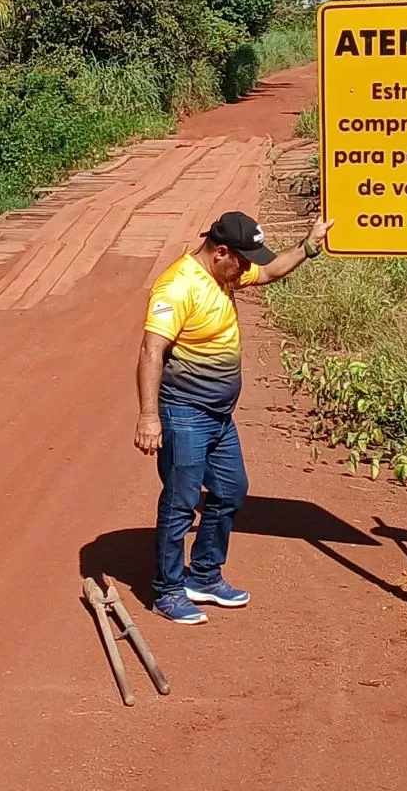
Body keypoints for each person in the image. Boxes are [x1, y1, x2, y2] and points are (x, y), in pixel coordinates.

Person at [134, 210, 333, 625]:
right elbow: (151, 350)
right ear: (220, 251)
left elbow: (270, 272)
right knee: (180, 502)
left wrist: (310, 245)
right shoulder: (179, 285)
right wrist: (149, 417)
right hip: (184, 413)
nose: (247, 268)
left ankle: (204, 575)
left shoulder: (224, 274)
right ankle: (167, 590)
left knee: (230, 492)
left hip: (219, 417)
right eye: (242, 259)